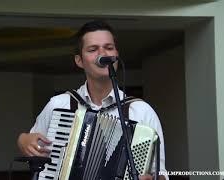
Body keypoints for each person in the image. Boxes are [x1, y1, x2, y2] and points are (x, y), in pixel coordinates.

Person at [17, 20, 168, 180]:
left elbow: (161, 173)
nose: (102, 53)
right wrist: (22, 140)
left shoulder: (140, 111)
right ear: (79, 61)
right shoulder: (59, 105)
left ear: (116, 55)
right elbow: (34, 146)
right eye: (93, 49)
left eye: (109, 48)